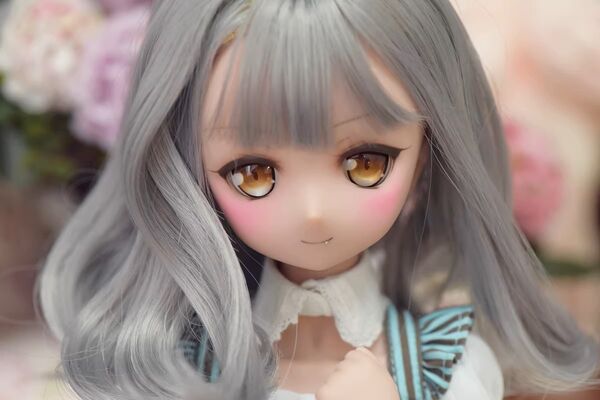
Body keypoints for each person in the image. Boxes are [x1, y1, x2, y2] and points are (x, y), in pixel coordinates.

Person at [37, 1, 599, 399]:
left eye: (365, 163)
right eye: (253, 173)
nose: (312, 211)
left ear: (428, 152)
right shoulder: (172, 371)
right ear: (189, 169)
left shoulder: (449, 366)